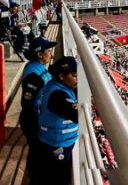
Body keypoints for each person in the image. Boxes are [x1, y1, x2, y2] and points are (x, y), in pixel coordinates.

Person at [37, 56, 78, 185]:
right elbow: (76, 115)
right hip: (56, 145)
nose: (77, 79)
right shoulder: (57, 96)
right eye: (74, 75)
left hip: (54, 141)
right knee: (59, 179)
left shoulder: (56, 86)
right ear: (61, 76)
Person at [20, 37, 55, 184]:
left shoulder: (38, 67)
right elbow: (27, 103)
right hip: (33, 120)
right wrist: (39, 123)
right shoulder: (34, 75)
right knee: (37, 152)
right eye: (48, 50)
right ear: (39, 54)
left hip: (36, 119)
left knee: (37, 151)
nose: (51, 54)